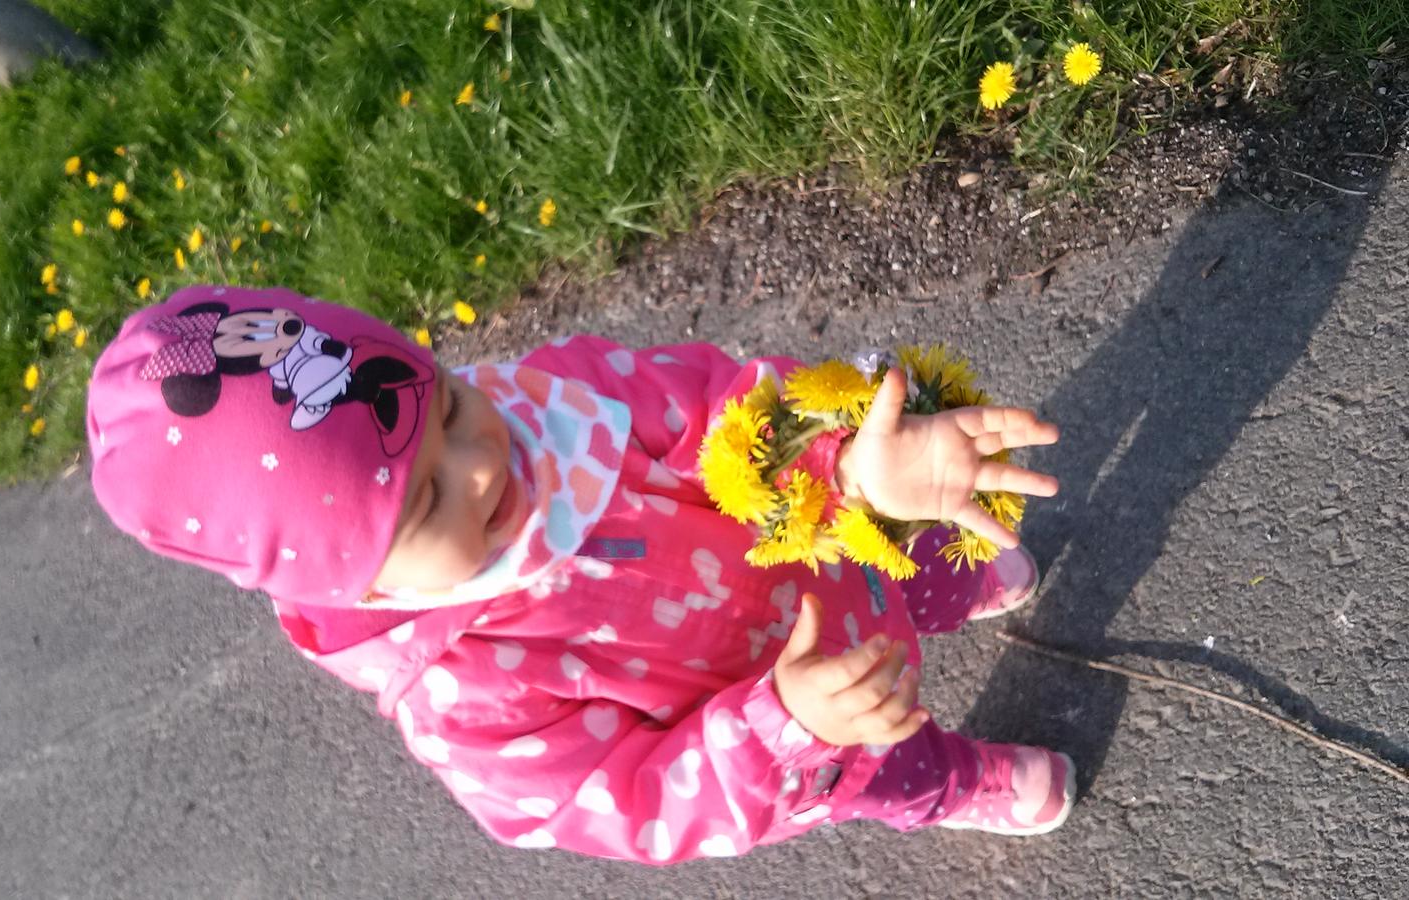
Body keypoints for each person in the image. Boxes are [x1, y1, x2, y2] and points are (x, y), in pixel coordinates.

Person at [87, 285, 1071, 865]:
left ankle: (961, 587)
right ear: (358, 585)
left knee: (909, 566)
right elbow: (635, 799)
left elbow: (719, 408)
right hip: (801, 710)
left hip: (831, 556)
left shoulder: (555, 404)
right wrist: (786, 726)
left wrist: (846, 464)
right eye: (426, 500)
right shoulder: (465, 701)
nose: (483, 464)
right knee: (887, 760)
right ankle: (960, 781)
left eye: (451, 408)